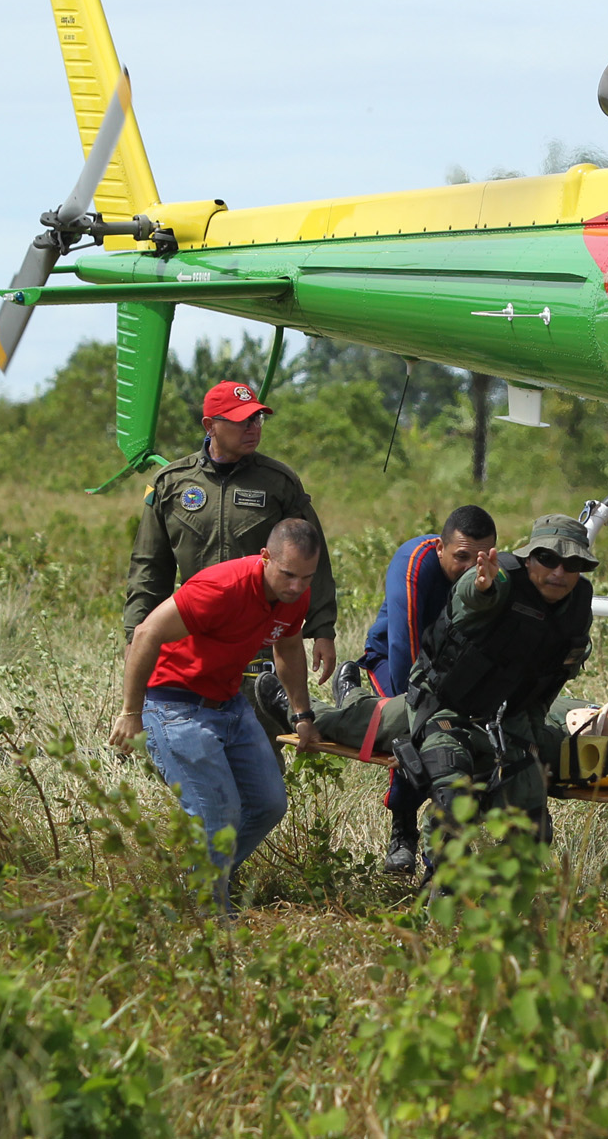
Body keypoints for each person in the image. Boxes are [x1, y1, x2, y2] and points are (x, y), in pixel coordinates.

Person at [110, 518, 324, 912]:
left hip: (228, 703)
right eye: (289, 574)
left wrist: (302, 714)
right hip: (173, 703)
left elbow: (289, 648)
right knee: (217, 814)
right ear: (265, 558)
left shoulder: (295, 596)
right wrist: (130, 713)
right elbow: (145, 634)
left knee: (268, 803)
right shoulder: (221, 587)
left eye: (307, 578)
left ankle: (199, 888)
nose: (296, 587)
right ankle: (210, 918)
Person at [125, 380, 339, 734]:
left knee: (260, 743)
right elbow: (149, 567)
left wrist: (322, 630)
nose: (252, 428)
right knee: (187, 738)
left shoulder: (279, 482)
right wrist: (136, 634)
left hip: (257, 641)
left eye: (256, 420)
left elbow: (313, 559)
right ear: (210, 426)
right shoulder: (171, 484)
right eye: (241, 421)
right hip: (192, 637)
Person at [398, 514, 597, 854]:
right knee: (452, 801)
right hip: (444, 706)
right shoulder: (499, 576)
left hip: (508, 716)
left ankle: (508, 897)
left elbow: (547, 687)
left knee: (533, 824)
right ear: (529, 556)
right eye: (548, 559)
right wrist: (482, 589)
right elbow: (471, 597)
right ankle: (440, 890)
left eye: (573, 563)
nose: (559, 573)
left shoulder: (577, 607)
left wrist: (531, 746)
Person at [330, 505, 498, 876]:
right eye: (461, 557)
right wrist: (423, 711)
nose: (471, 568)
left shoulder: (494, 575)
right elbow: (405, 648)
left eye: (480, 558)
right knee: (414, 729)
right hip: (393, 658)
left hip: (451, 669)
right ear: (440, 547)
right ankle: (403, 831)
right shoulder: (414, 562)